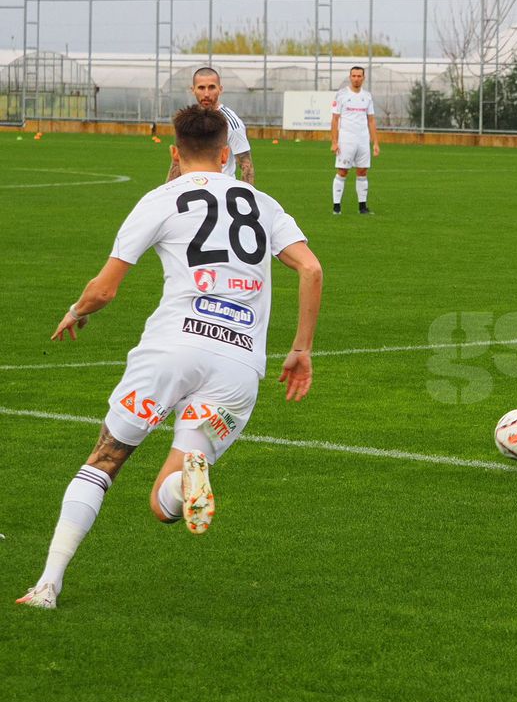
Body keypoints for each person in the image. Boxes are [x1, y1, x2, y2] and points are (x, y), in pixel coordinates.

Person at [16, 105, 323, 610]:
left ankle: (47, 585)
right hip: (239, 363)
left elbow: (105, 290)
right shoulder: (264, 204)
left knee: (105, 460)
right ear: (226, 155)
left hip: (171, 349)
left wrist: (77, 310)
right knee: (166, 504)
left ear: (176, 156)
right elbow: (311, 269)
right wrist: (300, 349)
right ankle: (186, 481)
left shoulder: (161, 198)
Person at [167, 67, 253, 185]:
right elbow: (177, 162)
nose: (206, 94)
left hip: (220, 192)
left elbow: (246, 165)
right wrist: (167, 191)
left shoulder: (232, 123)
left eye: (212, 87)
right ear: (193, 90)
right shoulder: (188, 120)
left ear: (220, 89)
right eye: (201, 88)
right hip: (190, 190)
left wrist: (247, 199)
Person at [330, 66, 380, 214]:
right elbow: (334, 119)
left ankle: (362, 206)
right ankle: (336, 206)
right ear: (350, 77)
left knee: (362, 171)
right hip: (346, 139)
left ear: (363, 78)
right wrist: (334, 141)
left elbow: (371, 120)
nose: (356, 79)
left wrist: (375, 142)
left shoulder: (367, 96)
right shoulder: (341, 95)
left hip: (363, 140)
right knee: (343, 171)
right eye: (354, 76)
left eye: (359, 76)